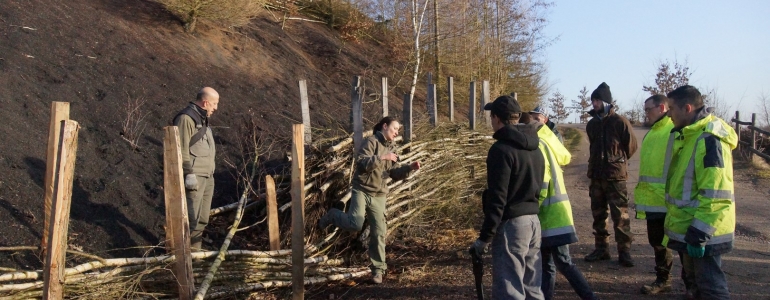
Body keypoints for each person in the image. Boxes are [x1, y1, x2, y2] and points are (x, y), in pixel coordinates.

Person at [319, 117, 420, 284]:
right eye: (395, 128)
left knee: (379, 232)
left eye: (398, 131)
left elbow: (393, 173)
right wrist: (382, 157)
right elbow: (362, 163)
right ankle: (332, 215)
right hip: (362, 190)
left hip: (379, 194)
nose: (396, 132)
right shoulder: (371, 142)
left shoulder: (391, 147)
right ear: (384, 126)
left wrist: (409, 168)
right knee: (355, 224)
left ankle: (377, 270)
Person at [663, 85, 736, 300]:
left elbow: (716, 194)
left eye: (671, 108)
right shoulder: (690, 135)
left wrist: (699, 234)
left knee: (711, 289)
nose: (668, 114)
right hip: (692, 228)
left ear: (687, 108)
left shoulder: (709, 140)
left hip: (704, 233)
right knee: (695, 286)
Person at [470, 95, 545, 299]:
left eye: (491, 116)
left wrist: (485, 237)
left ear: (496, 118)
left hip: (512, 227)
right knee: (532, 288)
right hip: (533, 223)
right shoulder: (535, 149)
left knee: (509, 291)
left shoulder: (501, 150)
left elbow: (497, 199)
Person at [521, 112, 596, 300]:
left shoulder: (537, 147)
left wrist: (530, 208)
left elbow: (542, 184)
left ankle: (591, 297)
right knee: (549, 264)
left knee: (562, 262)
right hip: (555, 213)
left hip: (549, 215)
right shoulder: (548, 142)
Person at [584, 82, 638, 267]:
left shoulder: (619, 122)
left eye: (597, 100)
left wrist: (617, 162)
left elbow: (631, 147)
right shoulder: (592, 125)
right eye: (593, 100)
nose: (594, 104)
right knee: (598, 215)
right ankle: (601, 249)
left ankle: (625, 252)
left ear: (606, 101)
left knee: (620, 217)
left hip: (616, 177)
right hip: (597, 176)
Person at [634, 95, 682, 294]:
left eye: (648, 109)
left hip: (670, 200)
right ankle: (663, 280)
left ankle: (690, 285)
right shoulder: (652, 133)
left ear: (662, 107)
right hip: (653, 200)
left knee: (679, 244)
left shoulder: (675, 131)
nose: (646, 113)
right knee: (658, 243)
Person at [173, 87, 220, 250]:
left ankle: (195, 252)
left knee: (202, 218)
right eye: (214, 104)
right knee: (190, 218)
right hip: (195, 176)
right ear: (205, 102)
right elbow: (181, 148)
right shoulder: (187, 118)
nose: (215, 108)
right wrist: (188, 174)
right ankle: (180, 253)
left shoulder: (203, 118)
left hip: (207, 176)